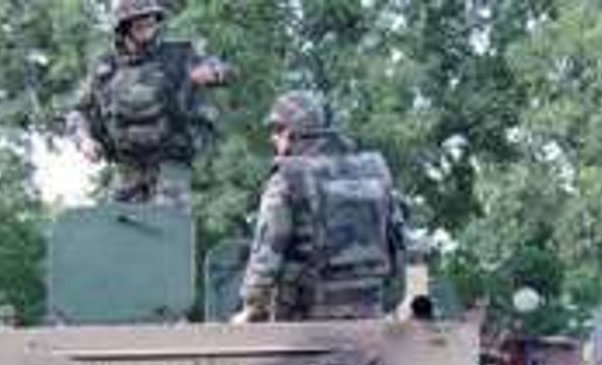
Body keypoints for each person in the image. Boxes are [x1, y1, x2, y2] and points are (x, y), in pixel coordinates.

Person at [234, 90, 407, 323]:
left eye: (277, 129)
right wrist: (390, 299)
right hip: (369, 316)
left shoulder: (287, 177)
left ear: (292, 132)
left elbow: (267, 255)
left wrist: (252, 308)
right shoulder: (375, 171)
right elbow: (397, 243)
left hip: (306, 322)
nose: (272, 138)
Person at [68, 0, 231, 206]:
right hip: (128, 166)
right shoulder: (106, 67)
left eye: (151, 19)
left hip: (170, 161)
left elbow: (224, 69)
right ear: (124, 26)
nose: (148, 23)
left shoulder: (179, 55)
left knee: (166, 226)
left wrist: (213, 73)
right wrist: (84, 141)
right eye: (140, 20)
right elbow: (78, 112)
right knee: (113, 225)